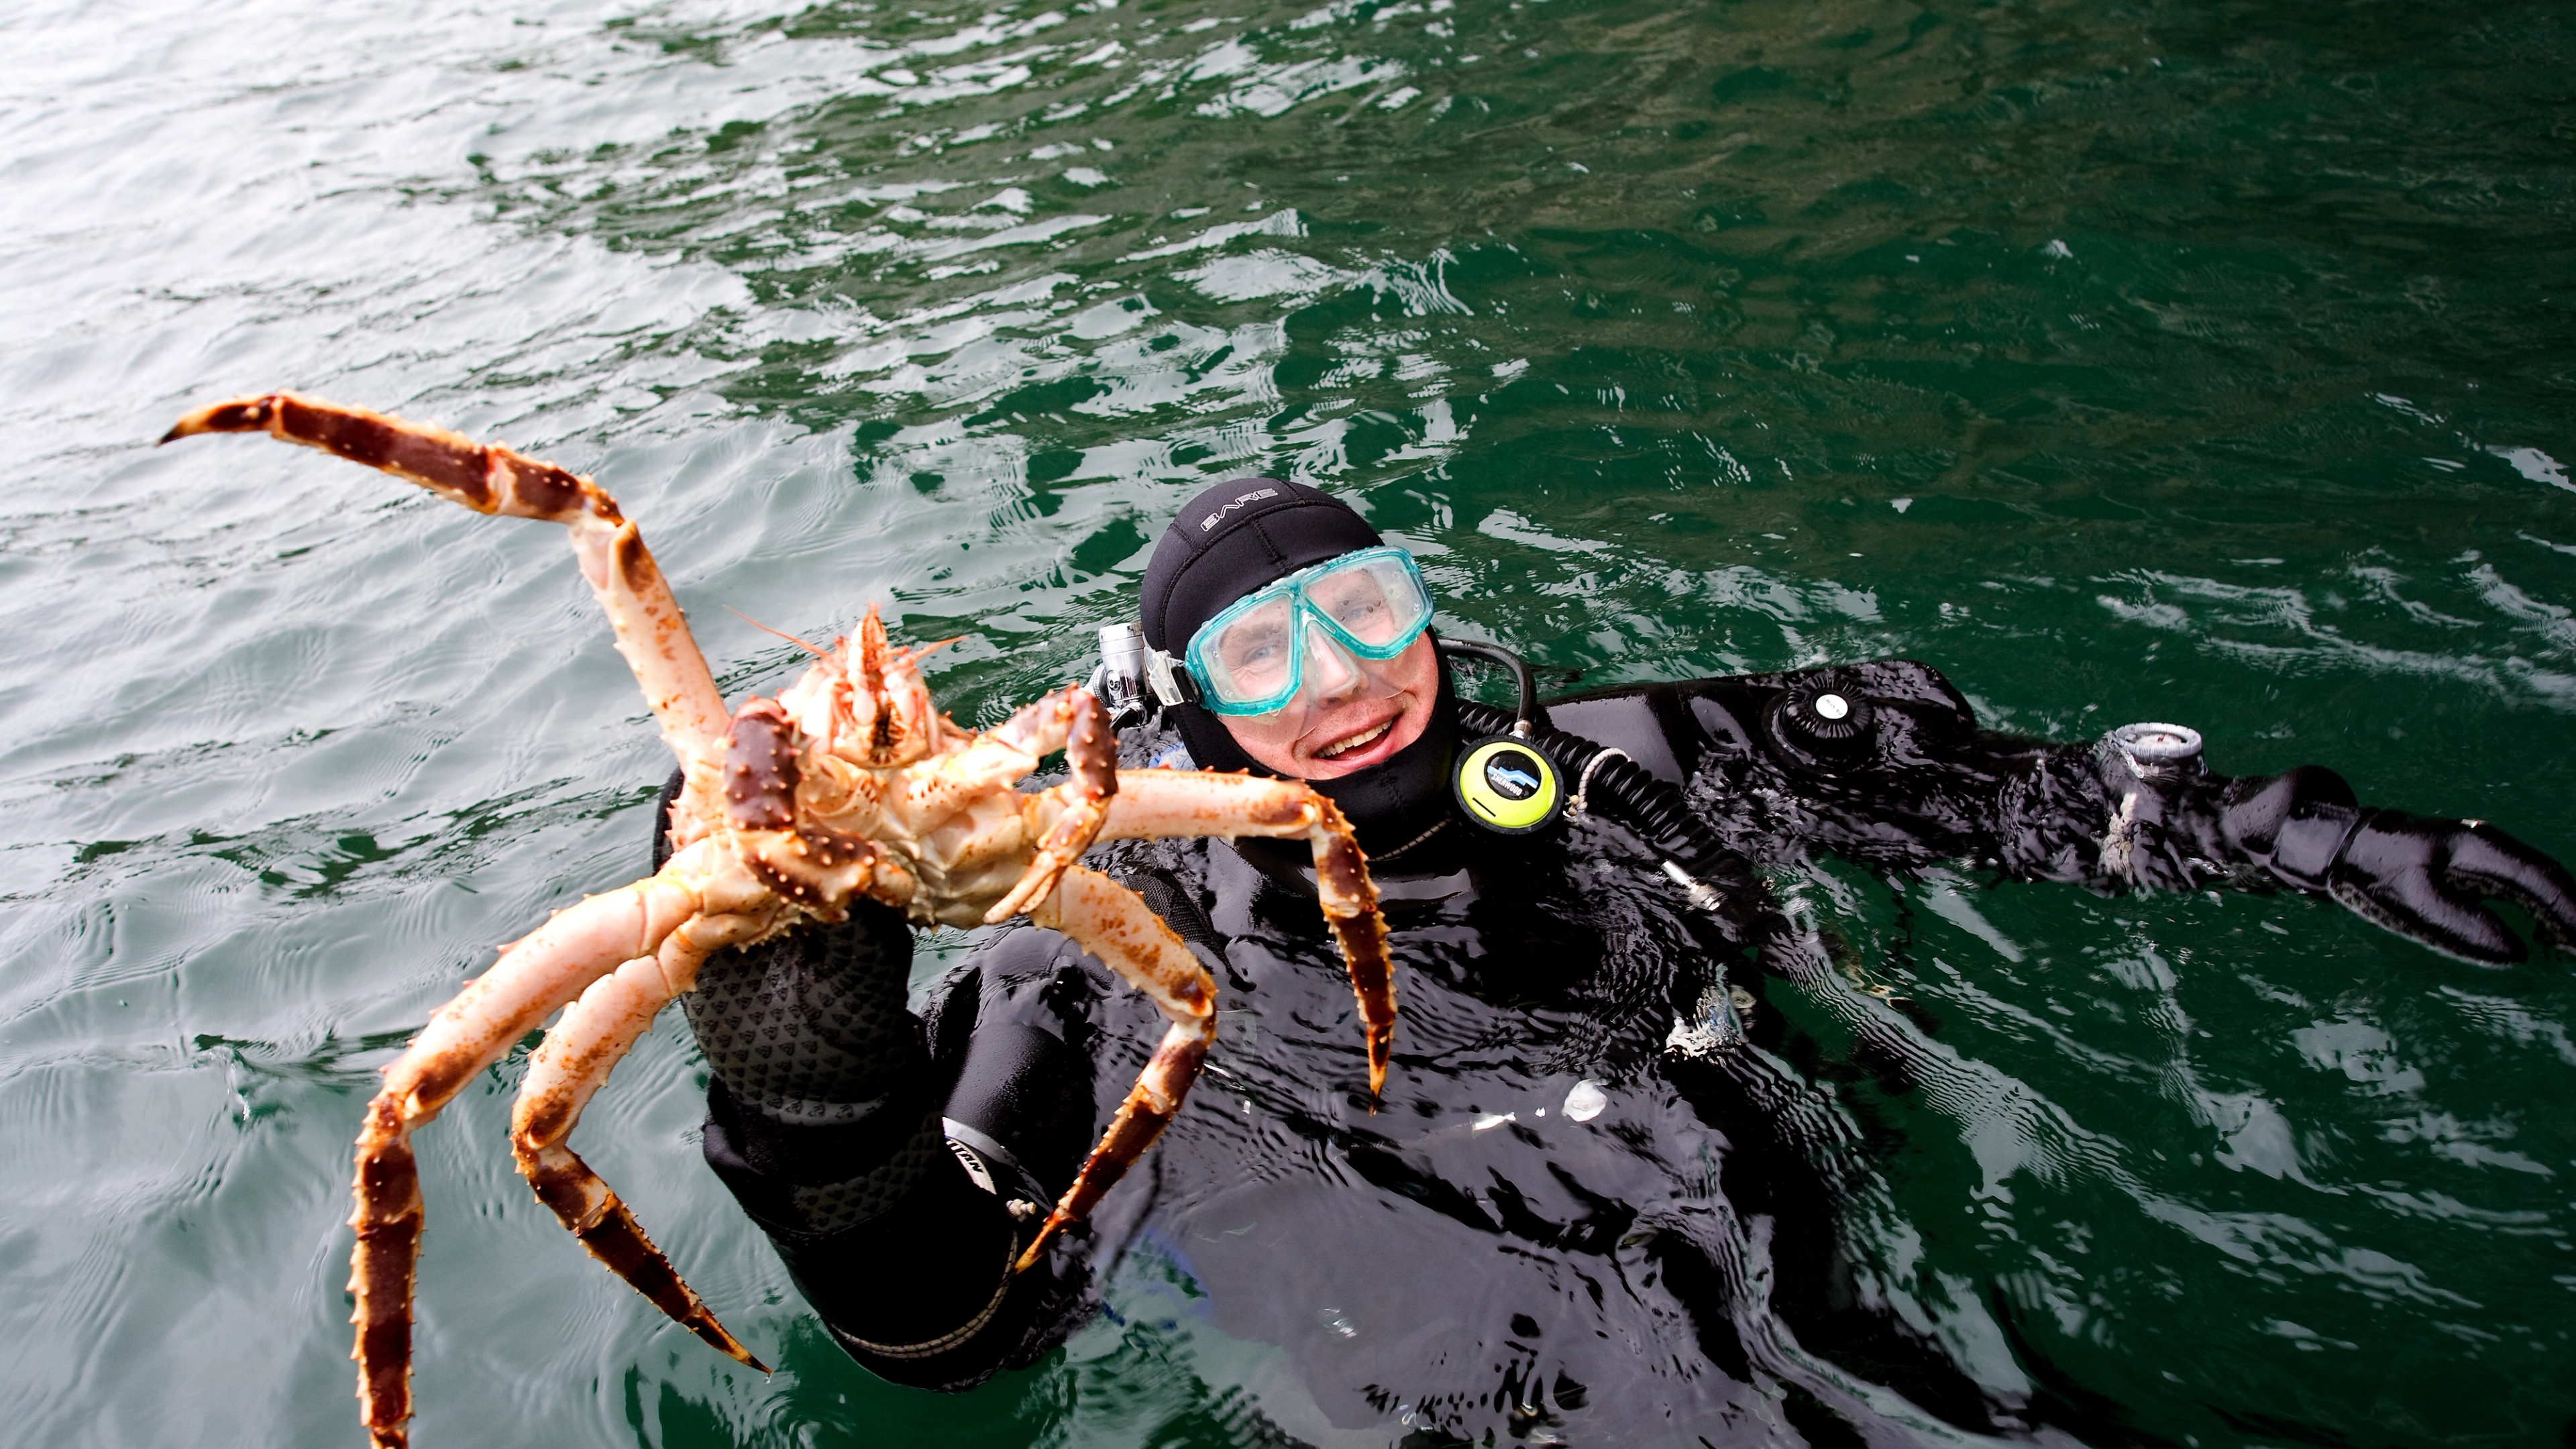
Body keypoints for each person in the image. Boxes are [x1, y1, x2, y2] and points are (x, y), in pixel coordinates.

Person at [656, 479, 2576, 1444]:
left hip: (1846, 1308)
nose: (1339, 683)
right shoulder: (1095, 958)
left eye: (1362, 608)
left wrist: (2313, 837)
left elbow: (2009, 804)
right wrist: (810, 1081)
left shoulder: (1613, 769)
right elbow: (946, 1328)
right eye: (1261, 656)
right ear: (1176, 713)